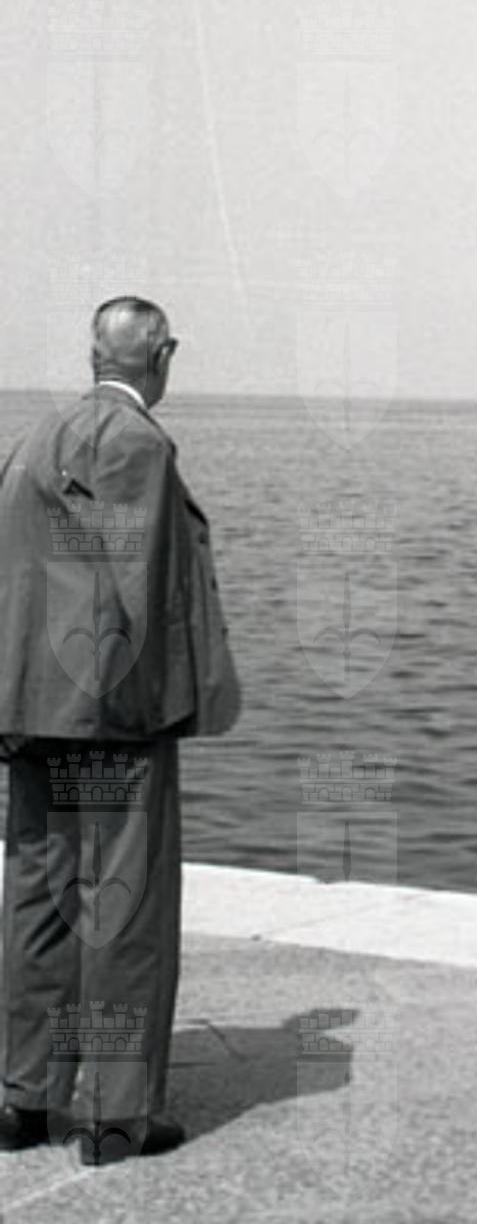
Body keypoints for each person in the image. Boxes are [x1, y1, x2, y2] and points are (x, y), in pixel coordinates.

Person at [0, 298, 242, 1164]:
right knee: (124, 905)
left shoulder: (34, 439)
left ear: (93, 354)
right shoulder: (136, 445)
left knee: (37, 896)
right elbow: (144, 590)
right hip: (112, 717)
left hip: (31, 709)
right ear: (162, 354)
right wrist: (158, 709)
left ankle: (23, 1097)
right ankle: (114, 1114)